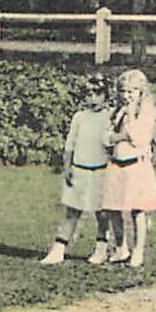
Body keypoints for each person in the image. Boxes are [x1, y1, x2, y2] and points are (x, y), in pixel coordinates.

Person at [41, 73, 112, 265]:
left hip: (101, 171)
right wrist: (67, 167)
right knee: (72, 211)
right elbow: (70, 145)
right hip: (79, 169)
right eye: (89, 94)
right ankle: (58, 249)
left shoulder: (111, 116)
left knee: (102, 213)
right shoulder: (79, 117)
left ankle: (101, 247)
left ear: (106, 95)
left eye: (98, 93)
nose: (93, 98)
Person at [100, 69, 156, 268]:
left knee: (138, 210)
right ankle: (121, 247)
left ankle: (138, 250)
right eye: (123, 92)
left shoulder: (146, 113)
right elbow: (106, 138)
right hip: (117, 164)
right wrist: (119, 135)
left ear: (141, 92)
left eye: (131, 92)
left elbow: (137, 137)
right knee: (113, 208)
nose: (126, 96)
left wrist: (126, 123)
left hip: (137, 165)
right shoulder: (116, 112)